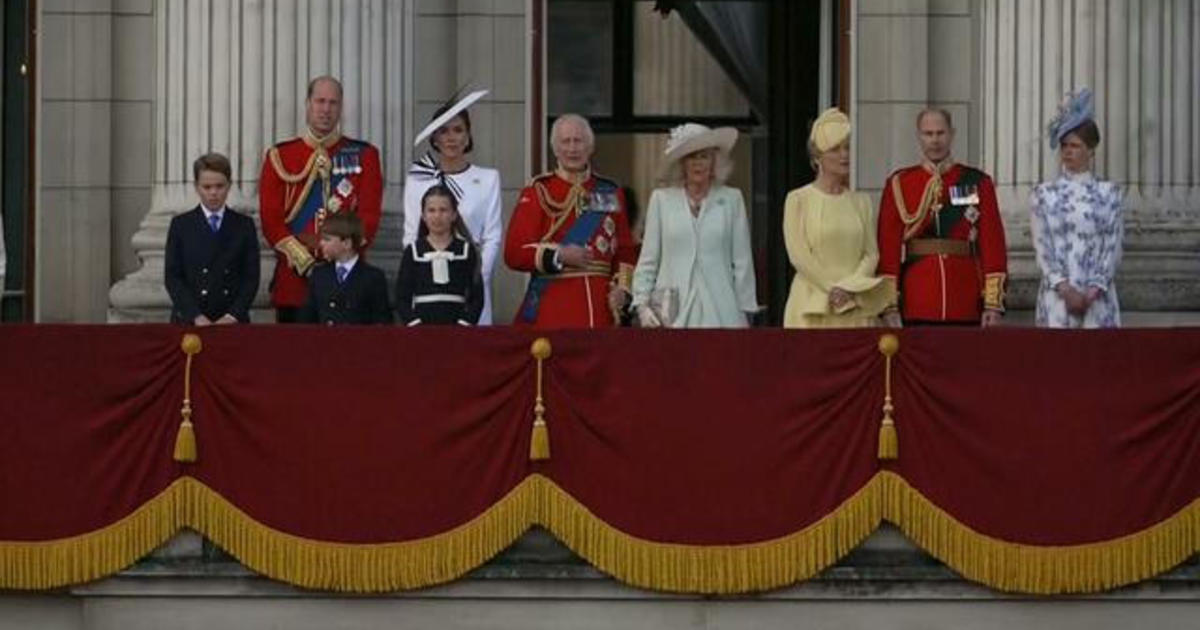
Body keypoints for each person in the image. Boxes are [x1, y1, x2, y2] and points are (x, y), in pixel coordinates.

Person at [259, 76, 383, 323]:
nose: (326, 109)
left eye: (333, 103)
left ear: (341, 108)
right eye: (320, 101)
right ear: (307, 104)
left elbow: (368, 216)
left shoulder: (364, 155)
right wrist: (302, 259)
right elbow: (271, 219)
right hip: (295, 283)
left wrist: (341, 254)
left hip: (347, 284)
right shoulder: (280, 156)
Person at [876, 108, 1008, 327]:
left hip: (965, 298)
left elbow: (992, 243)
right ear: (919, 136)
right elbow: (888, 248)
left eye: (940, 133)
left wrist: (992, 304)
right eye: (928, 134)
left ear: (952, 134)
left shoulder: (976, 181)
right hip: (919, 300)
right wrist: (889, 306)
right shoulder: (900, 183)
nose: (935, 140)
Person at [504, 114, 637, 328]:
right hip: (554, 308)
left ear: (590, 147)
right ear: (555, 149)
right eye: (566, 142)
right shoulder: (539, 190)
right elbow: (514, 252)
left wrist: (623, 289)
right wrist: (560, 255)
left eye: (579, 141)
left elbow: (625, 251)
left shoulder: (610, 191)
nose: (573, 149)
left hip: (601, 310)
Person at [631, 123, 756, 328]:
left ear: (715, 161)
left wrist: (745, 311)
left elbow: (742, 262)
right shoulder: (661, 200)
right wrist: (642, 305)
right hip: (672, 310)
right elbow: (649, 259)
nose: (698, 164)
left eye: (704, 156)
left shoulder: (732, 199)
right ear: (681, 163)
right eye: (692, 157)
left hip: (722, 310)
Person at [783, 109, 892, 328]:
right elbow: (799, 255)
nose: (844, 155)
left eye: (847, 148)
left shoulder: (862, 201)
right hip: (812, 305)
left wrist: (849, 288)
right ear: (817, 157)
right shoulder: (798, 199)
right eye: (835, 149)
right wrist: (832, 289)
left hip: (854, 305)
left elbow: (871, 254)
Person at [404, 89, 502, 325]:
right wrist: (422, 275)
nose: (451, 137)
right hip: (428, 288)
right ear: (434, 138)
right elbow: (410, 235)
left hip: (470, 286)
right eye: (443, 131)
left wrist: (475, 276)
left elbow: (493, 236)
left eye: (458, 130)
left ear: (468, 137)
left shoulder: (488, 179)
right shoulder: (418, 179)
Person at [1032, 89, 1123, 328]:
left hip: (1097, 299)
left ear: (1091, 149)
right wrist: (1065, 289)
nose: (1068, 151)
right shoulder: (1044, 194)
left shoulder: (1109, 193)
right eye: (1064, 146)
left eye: (1075, 145)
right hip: (1058, 298)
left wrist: (1093, 291)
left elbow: (1112, 246)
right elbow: (1043, 247)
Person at [164, 153, 261, 325]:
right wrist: (194, 315)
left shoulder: (244, 225)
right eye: (207, 187)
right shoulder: (181, 225)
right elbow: (173, 277)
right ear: (196, 187)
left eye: (219, 186)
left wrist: (233, 315)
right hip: (191, 320)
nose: (214, 193)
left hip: (232, 320)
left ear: (229, 186)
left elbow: (251, 277)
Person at [396, 185, 485, 326]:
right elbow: (401, 297)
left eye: (443, 210)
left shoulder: (467, 251)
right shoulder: (412, 251)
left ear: (454, 214)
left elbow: (477, 297)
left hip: (457, 330)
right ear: (423, 216)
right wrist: (415, 324)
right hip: (421, 331)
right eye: (431, 210)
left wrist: (464, 324)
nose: (437, 216)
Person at [298, 213, 392, 325]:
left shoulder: (373, 277)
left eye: (327, 239)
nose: (321, 243)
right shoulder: (319, 275)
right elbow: (308, 319)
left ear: (347, 243)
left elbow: (381, 321)